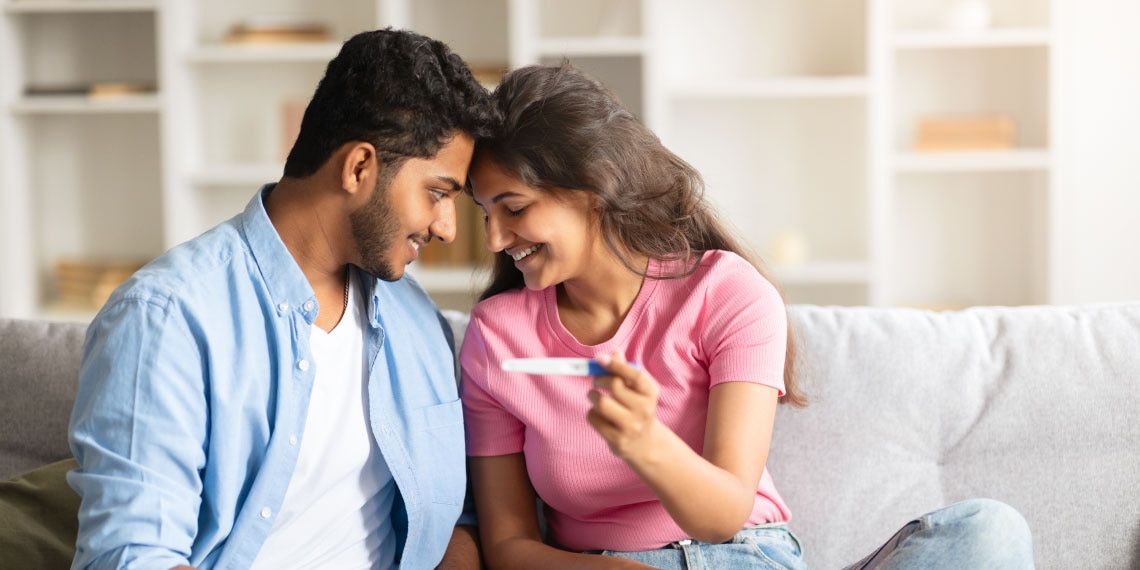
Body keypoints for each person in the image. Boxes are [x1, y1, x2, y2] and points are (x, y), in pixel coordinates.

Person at [459, 62, 1035, 569]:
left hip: (745, 555)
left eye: (513, 208)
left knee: (988, 533)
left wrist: (643, 439)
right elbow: (509, 544)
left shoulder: (724, 292)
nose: (494, 237)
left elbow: (724, 514)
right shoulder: (497, 336)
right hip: (603, 567)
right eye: (484, 211)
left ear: (594, 185)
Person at [67, 28, 497, 570]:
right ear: (359, 167)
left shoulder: (416, 319)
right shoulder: (167, 318)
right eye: (437, 193)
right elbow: (132, 556)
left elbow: (454, 519)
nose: (447, 228)